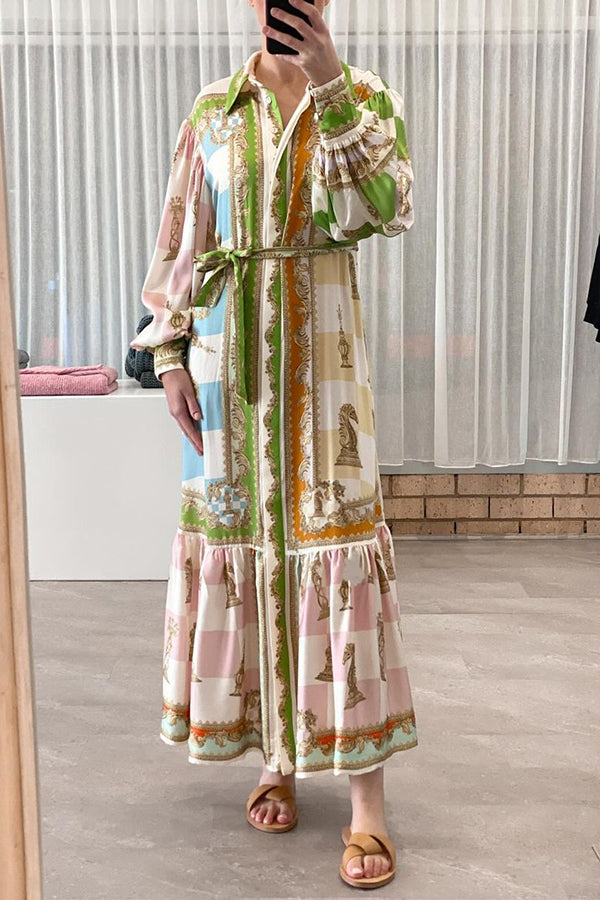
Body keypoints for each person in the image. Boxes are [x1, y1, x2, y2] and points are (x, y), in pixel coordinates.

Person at [130, 0, 418, 889]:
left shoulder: (365, 96)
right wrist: (170, 354)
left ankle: (367, 805)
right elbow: (181, 237)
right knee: (246, 548)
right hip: (227, 371)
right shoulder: (213, 109)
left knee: (337, 553)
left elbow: (381, 209)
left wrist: (329, 83)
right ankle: (276, 759)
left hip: (326, 374)